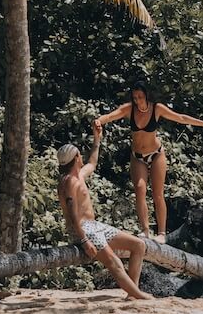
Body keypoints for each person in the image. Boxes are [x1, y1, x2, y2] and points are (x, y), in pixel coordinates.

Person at [94, 81, 203, 243]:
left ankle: (161, 233)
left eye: (140, 97)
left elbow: (180, 118)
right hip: (137, 156)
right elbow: (111, 115)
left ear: (146, 95)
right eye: (135, 97)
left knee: (157, 193)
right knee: (140, 190)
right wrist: (99, 120)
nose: (138, 100)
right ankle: (145, 231)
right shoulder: (129, 109)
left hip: (156, 154)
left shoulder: (157, 108)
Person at [57, 124, 154, 300]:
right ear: (76, 157)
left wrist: (97, 139)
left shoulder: (79, 175)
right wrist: (84, 239)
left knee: (138, 245)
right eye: (80, 155)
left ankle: (132, 294)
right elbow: (72, 213)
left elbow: (92, 163)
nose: (82, 157)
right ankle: (139, 295)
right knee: (113, 262)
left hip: (94, 226)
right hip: (83, 229)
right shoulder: (69, 181)